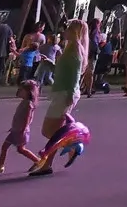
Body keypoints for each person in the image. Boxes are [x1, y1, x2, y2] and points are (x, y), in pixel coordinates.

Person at [28, 20, 87, 177]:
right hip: (62, 92)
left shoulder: (75, 49)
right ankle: (49, 162)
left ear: (74, 32)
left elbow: (74, 74)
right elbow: (63, 71)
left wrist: (69, 94)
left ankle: (72, 145)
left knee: (50, 130)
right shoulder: (69, 49)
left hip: (65, 94)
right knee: (54, 131)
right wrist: (50, 64)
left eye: (67, 29)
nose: (64, 32)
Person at [0, 71, 42, 174]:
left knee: (21, 149)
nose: (19, 92)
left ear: (28, 92)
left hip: (21, 131)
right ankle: (0, 167)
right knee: (5, 147)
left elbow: (28, 117)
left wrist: (23, 129)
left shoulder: (28, 104)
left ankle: (38, 161)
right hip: (15, 130)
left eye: (22, 90)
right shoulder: (24, 102)